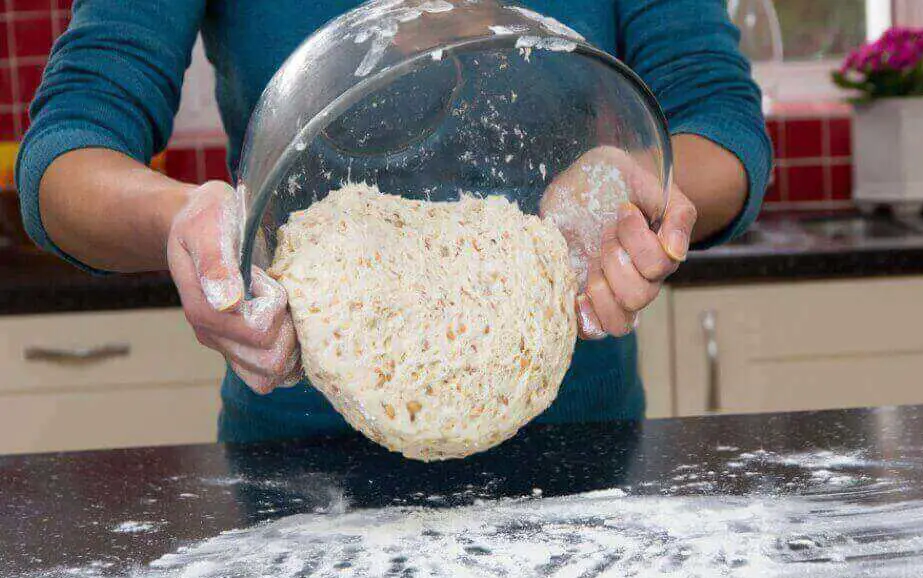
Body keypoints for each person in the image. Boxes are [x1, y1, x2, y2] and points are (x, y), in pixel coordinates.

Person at [16, 0, 772, 444]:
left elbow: (721, 119)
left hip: (581, 457)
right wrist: (182, 218)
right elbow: (67, 150)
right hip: (300, 475)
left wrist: (628, 183)